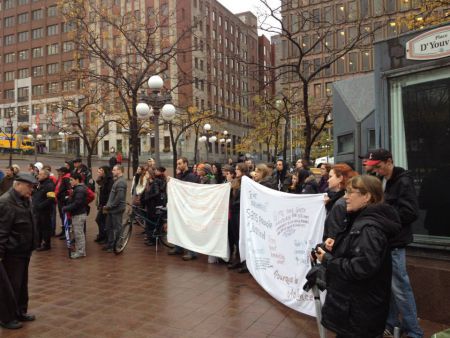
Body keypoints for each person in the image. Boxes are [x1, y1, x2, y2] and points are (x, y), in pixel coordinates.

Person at [316, 175, 401, 338]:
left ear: (367, 196)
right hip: (355, 310)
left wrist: (328, 260)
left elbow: (361, 268)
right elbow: (357, 252)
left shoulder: (369, 228)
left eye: (350, 192)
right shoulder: (359, 220)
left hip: (358, 312)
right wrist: (335, 246)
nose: (345, 197)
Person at [367, 149, 424, 338]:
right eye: (373, 167)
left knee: (400, 287)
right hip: (385, 241)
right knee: (389, 286)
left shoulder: (403, 181)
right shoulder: (384, 180)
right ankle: (390, 324)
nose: (376, 170)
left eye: (379, 166)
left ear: (389, 161)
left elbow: (411, 212)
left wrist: (384, 219)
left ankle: (414, 331)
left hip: (395, 242)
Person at [0, 173, 38, 330]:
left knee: (22, 285)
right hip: (11, 253)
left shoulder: (24, 199)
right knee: (10, 287)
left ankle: (20, 311)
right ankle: (6, 317)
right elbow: (2, 231)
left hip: (24, 250)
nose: (31, 190)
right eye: (29, 187)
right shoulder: (6, 202)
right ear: (18, 185)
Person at [168, 157, 199, 259]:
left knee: (189, 229)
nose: (178, 165)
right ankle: (179, 247)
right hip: (181, 206)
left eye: (180, 163)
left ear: (185, 163)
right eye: (177, 164)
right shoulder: (180, 175)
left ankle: (192, 252)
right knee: (179, 227)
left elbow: (192, 191)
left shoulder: (191, 176)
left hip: (189, 207)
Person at [323, 164, 359, 242]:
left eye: (330, 177)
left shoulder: (341, 202)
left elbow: (334, 234)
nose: (328, 180)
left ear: (340, 178)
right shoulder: (337, 200)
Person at [62, 173, 88, 259]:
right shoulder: (77, 189)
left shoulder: (79, 190)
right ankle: (80, 250)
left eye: (71, 180)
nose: (70, 182)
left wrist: (67, 208)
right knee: (77, 233)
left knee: (78, 234)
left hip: (79, 214)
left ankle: (80, 252)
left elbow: (77, 203)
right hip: (77, 214)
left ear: (77, 180)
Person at [103, 165, 127, 253]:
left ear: (119, 171)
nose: (112, 171)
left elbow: (119, 197)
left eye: (114, 170)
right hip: (111, 209)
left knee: (117, 228)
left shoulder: (121, 182)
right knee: (109, 227)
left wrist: (111, 205)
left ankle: (118, 244)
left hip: (116, 209)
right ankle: (111, 244)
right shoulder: (117, 181)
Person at [228, 163, 248, 270]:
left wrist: (234, 204)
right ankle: (239, 259)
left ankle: (245, 262)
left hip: (240, 213)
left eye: (237, 169)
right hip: (234, 212)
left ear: (243, 170)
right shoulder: (235, 181)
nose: (235, 171)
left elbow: (242, 199)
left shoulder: (246, 181)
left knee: (241, 238)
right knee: (236, 237)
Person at [32, 169, 56, 251]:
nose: (38, 176)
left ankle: (46, 245)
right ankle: (38, 243)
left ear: (46, 176)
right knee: (38, 227)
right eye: (39, 174)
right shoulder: (40, 183)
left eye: (41, 174)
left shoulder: (49, 185)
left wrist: (40, 206)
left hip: (45, 211)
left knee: (45, 228)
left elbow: (51, 199)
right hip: (37, 211)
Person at [95, 166, 113, 244]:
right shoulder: (102, 179)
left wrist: (106, 205)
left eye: (101, 170)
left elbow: (109, 194)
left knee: (101, 220)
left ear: (105, 171)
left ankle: (105, 237)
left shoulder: (109, 180)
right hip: (102, 203)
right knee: (100, 220)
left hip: (106, 204)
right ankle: (101, 235)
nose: (99, 172)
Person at [55, 167, 72, 239]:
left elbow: (69, 190)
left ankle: (66, 233)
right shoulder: (61, 178)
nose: (58, 173)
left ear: (63, 172)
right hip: (60, 200)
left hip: (64, 201)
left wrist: (66, 197)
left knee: (65, 217)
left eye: (59, 171)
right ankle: (63, 231)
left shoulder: (66, 179)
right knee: (62, 217)